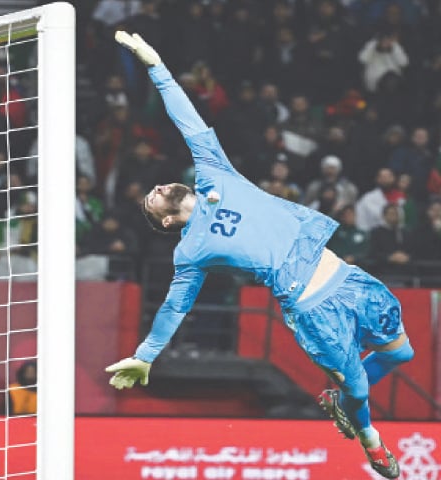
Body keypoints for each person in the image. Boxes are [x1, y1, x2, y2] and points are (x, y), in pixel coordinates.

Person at [105, 32, 413, 480]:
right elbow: (175, 306)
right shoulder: (190, 251)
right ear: (166, 223)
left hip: (346, 277)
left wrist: (158, 69)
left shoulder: (215, 174)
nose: (154, 191)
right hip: (312, 309)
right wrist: (146, 355)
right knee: (360, 386)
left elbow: (188, 122)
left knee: (401, 353)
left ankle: (341, 400)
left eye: (154, 191)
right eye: (151, 203)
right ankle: (370, 441)